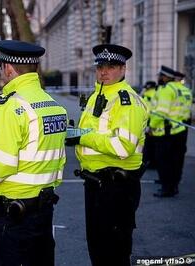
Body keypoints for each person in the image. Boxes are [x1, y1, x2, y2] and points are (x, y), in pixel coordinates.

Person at [0, 40, 67, 266]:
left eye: (2, 67)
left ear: (9, 68)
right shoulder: (54, 105)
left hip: (15, 215)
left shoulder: (11, 107)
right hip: (44, 209)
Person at [65, 44, 148, 266]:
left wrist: (82, 137)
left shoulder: (126, 101)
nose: (104, 71)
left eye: (111, 67)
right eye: (100, 66)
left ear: (123, 69)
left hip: (117, 186)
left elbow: (123, 147)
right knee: (97, 247)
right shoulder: (96, 95)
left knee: (114, 251)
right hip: (96, 184)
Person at [149, 65, 187, 197]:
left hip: (166, 132)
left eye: (160, 76)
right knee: (176, 161)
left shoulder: (165, 90)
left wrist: (151, 126)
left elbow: (160, 113)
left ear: (165, 77)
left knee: (163, 161)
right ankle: (174, 186)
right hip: (179, 129)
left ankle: (166, 188)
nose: (159, 78)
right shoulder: (180, 88)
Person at [141, 81, 157, 169]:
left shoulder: (148, 94)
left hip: (149, 122)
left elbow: (147, 110)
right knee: (152, 144)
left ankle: (148, 162)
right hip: (153, 122)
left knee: (148, 144)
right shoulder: (156, 93)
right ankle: (152, 162)